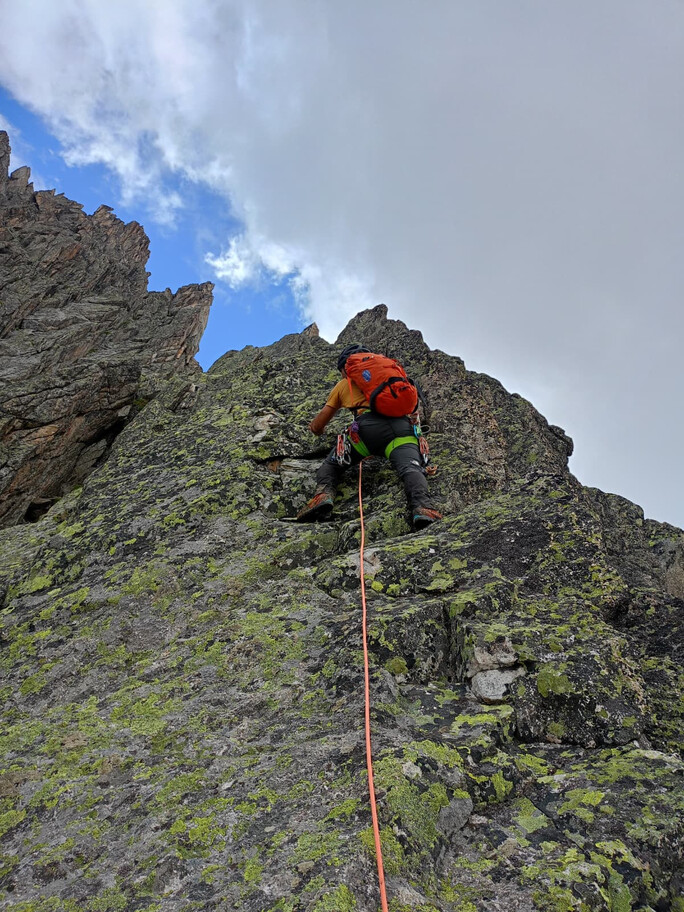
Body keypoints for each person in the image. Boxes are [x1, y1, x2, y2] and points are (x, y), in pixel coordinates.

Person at [296, 344, 442, 530]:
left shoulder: (344, 384)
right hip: (402, 430)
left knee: (331, 466)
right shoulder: (392, 378)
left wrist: (316, 429)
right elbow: (413, 413)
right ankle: (423, 508)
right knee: (411, 469)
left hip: (367, 432)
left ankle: (323, 495)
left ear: (345, 368)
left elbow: (319, 424)